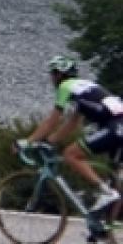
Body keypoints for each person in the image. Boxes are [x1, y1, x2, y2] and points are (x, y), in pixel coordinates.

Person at [19, 56, 123, 216]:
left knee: (71, 154)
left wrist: (28, 142)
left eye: (53, 74)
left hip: (116, 126)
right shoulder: (85, 87)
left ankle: (106, 193)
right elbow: (72, 124)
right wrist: (49, 141)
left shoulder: (65, 87)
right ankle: (105, 229)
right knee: (115, 179)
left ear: (60, 74)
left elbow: (53, 120)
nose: (51, 79)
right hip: (118, 125)